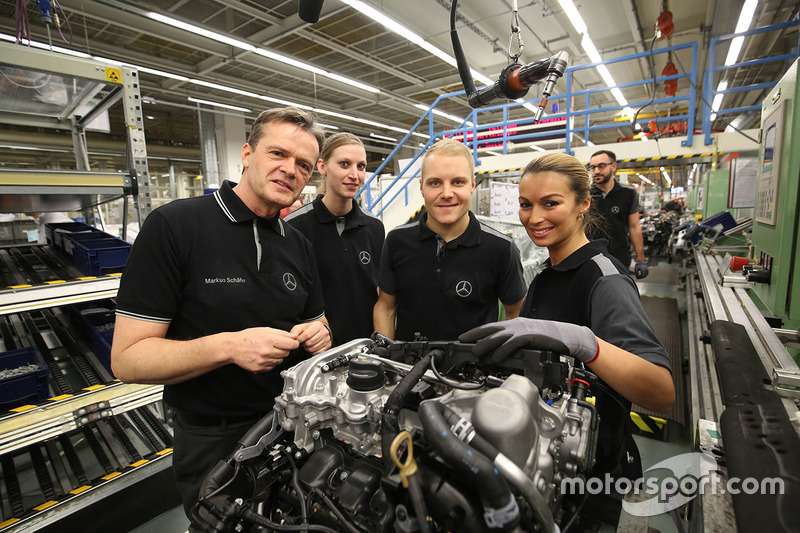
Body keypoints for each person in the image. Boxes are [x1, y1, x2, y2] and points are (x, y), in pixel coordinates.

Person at [110, 107, 332, 515]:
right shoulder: (176, 225)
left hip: (289, 427)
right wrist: (230, 347)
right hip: (212, 439)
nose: (290, 170)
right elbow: (127, 360)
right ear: (247, 154)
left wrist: (319, 332)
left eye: (303, 164)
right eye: (277, 154)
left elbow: (316, 320)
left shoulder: (298, 244)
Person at [460, 152, 674, 530]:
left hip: (593, 477)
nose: (534, 217)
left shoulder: (605, 280)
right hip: (550, 465)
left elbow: (661, 391)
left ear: (583, 204)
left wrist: (584, 342)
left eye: (551, 203)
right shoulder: (548, 273)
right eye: (526, 205)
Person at [374, 138, 526, 341]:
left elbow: (516, 315)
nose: (447, 194)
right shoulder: (396, 241)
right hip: (407, 368)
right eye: (435, 183)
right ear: (421, 186)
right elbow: (386, 308)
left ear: (472, 184)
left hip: (474, 369)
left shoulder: (501, 249)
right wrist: (386, 359)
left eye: (458, 182)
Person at [285, 133, 385, 344]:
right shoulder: (294, 227)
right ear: (322, 167)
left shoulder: (375, 228)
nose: (354, 175)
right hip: (316, 350)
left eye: (361, 166)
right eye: (344, 164)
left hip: (365, 347)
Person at [588, 149, 649, 279]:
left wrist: (640, 259)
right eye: (593, 167)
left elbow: (634, 226)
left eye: (601, 166)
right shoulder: (585, 195)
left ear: (613, 166)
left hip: (620, 259)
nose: (596, 171)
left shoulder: (628, 193)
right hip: (590, 260)